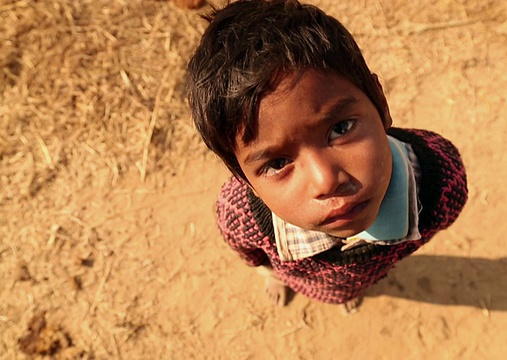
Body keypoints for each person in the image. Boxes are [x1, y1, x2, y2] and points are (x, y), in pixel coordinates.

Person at [186, 0, 468, 312]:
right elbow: (249, 253)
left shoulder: (440, 177)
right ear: (245, 181)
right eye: (277, 163)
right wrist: (271, 272)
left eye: (341, 128)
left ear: (380, 102)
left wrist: (359, 277)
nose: (326, 180)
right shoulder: (239, 214)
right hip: (299, 278)